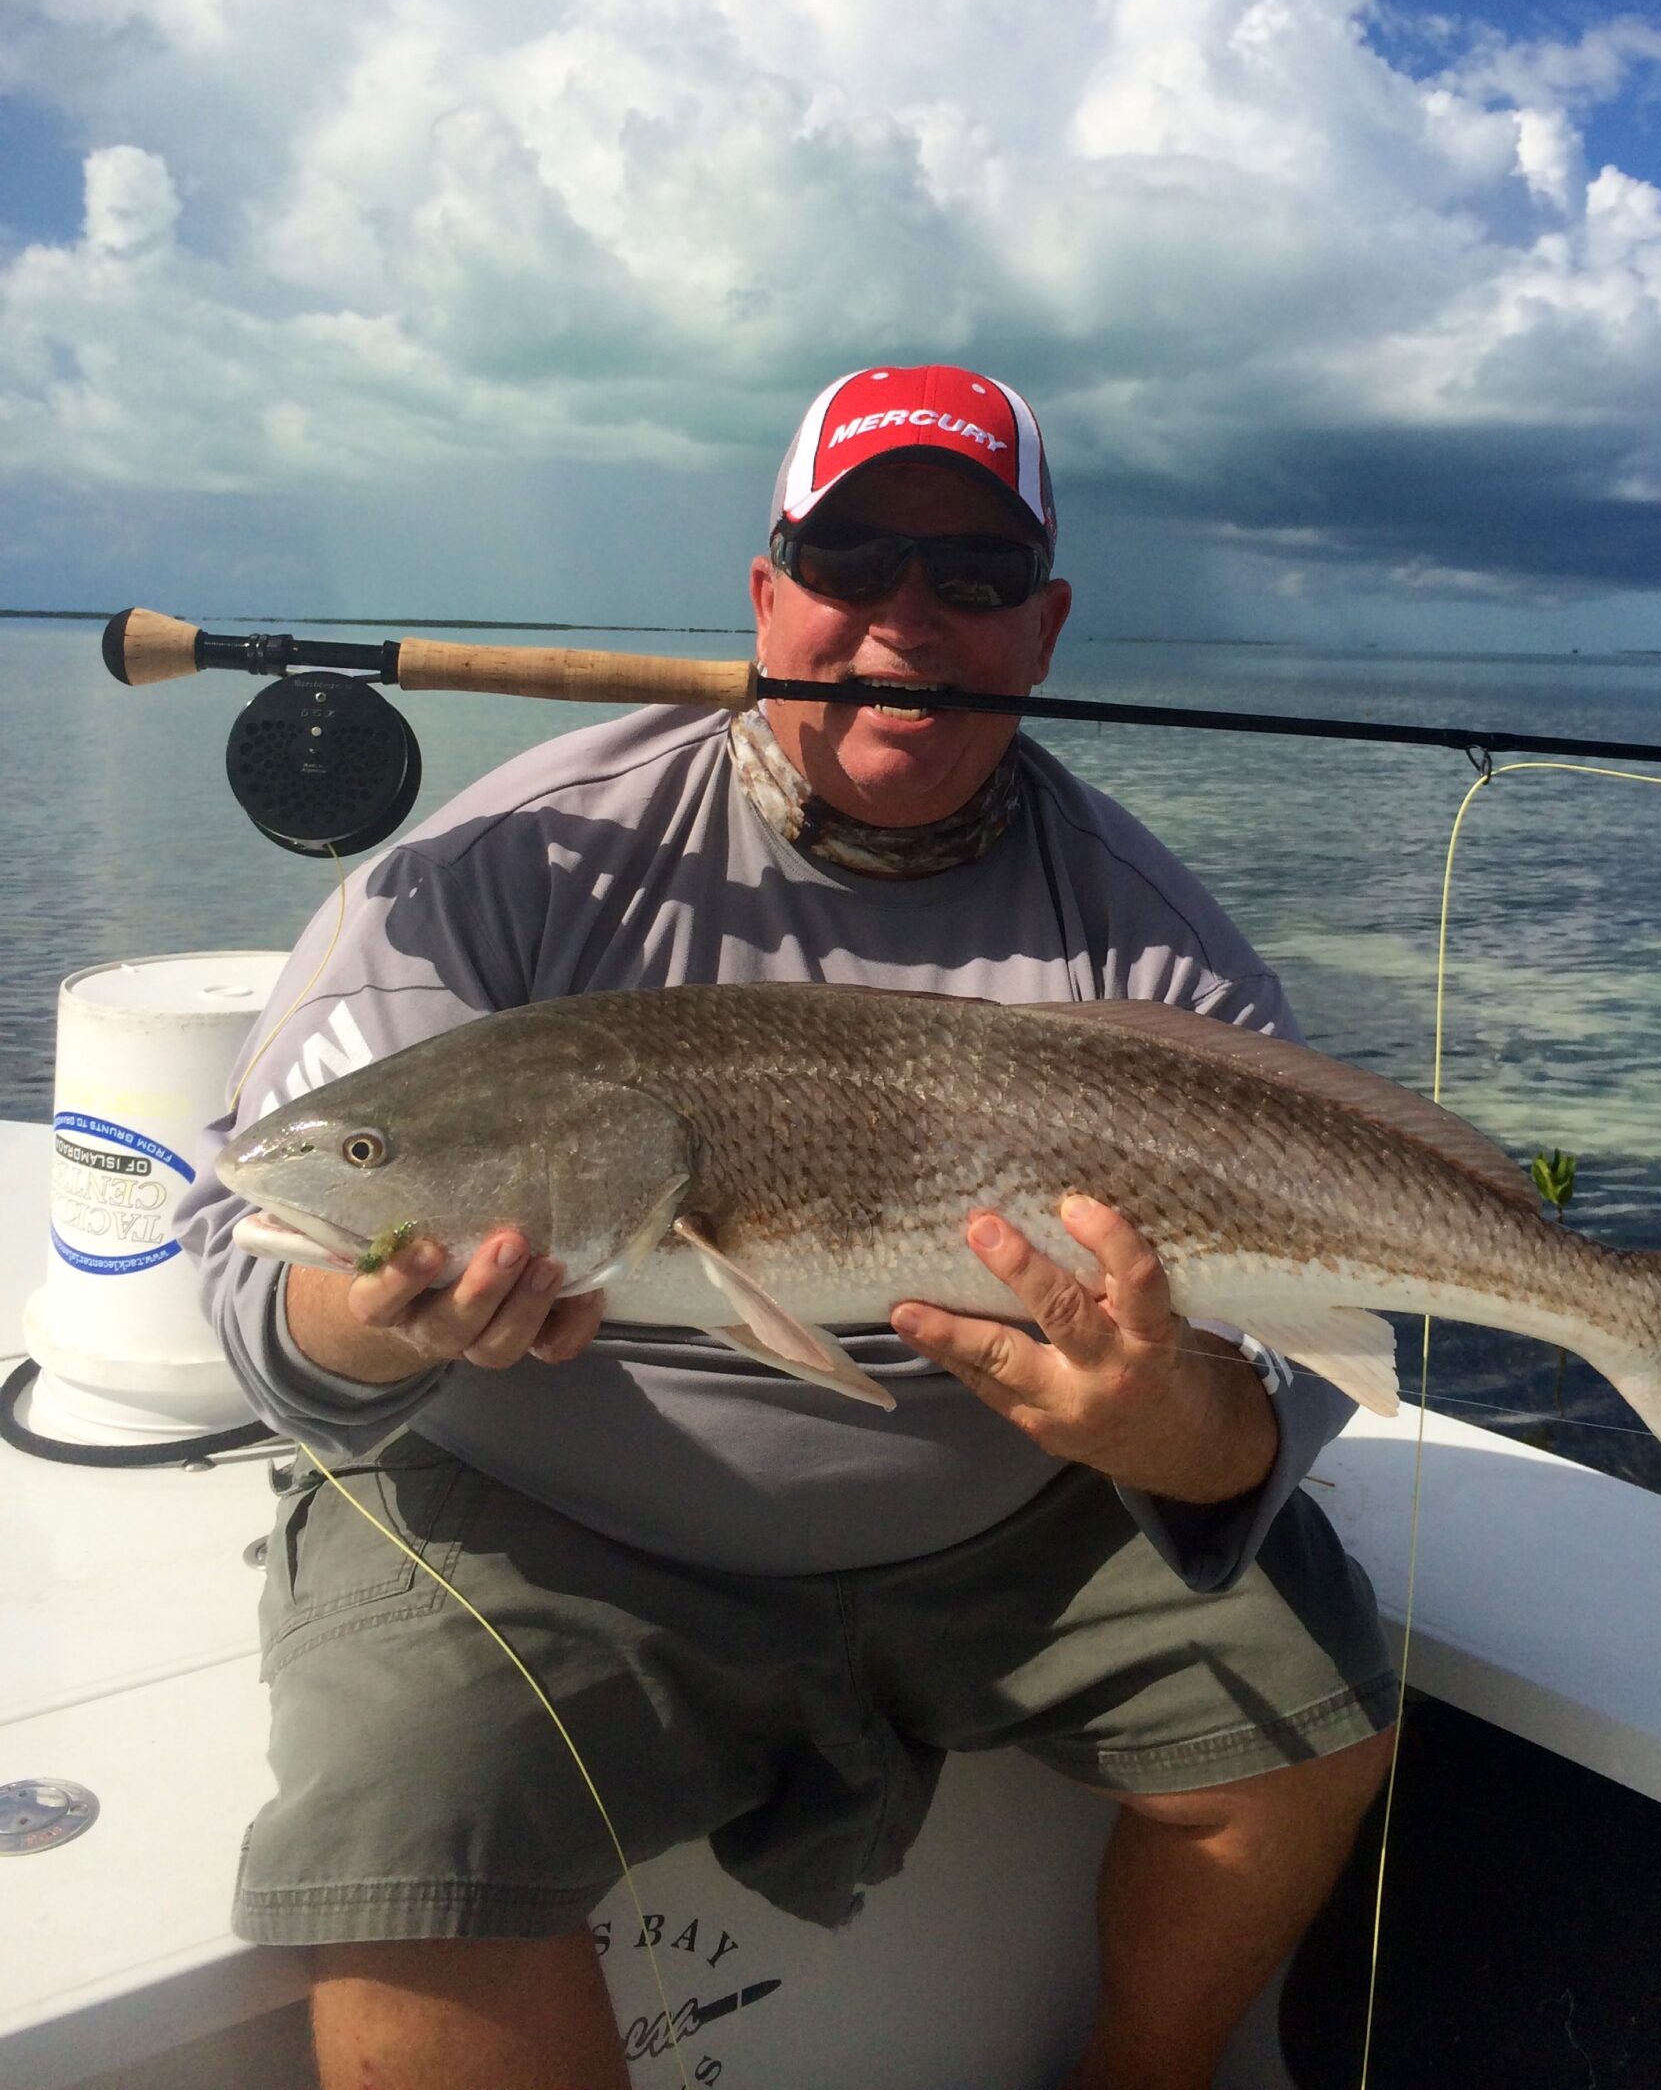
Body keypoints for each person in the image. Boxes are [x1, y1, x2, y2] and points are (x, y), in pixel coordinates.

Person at [179, 364, 1396, 2090]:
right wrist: (376, 1321)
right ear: (768, 597)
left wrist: (1173, 1425)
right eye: (852, 562)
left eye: (971, 580)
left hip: (1023, 1538)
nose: (908, 619)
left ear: (1042, 628)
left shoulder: (1154, 948)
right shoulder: (509, 863)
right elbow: (248, 1255)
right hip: (545, 1523)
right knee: (409, 1833)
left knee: (1308, 1709)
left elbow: (1267, 1392)